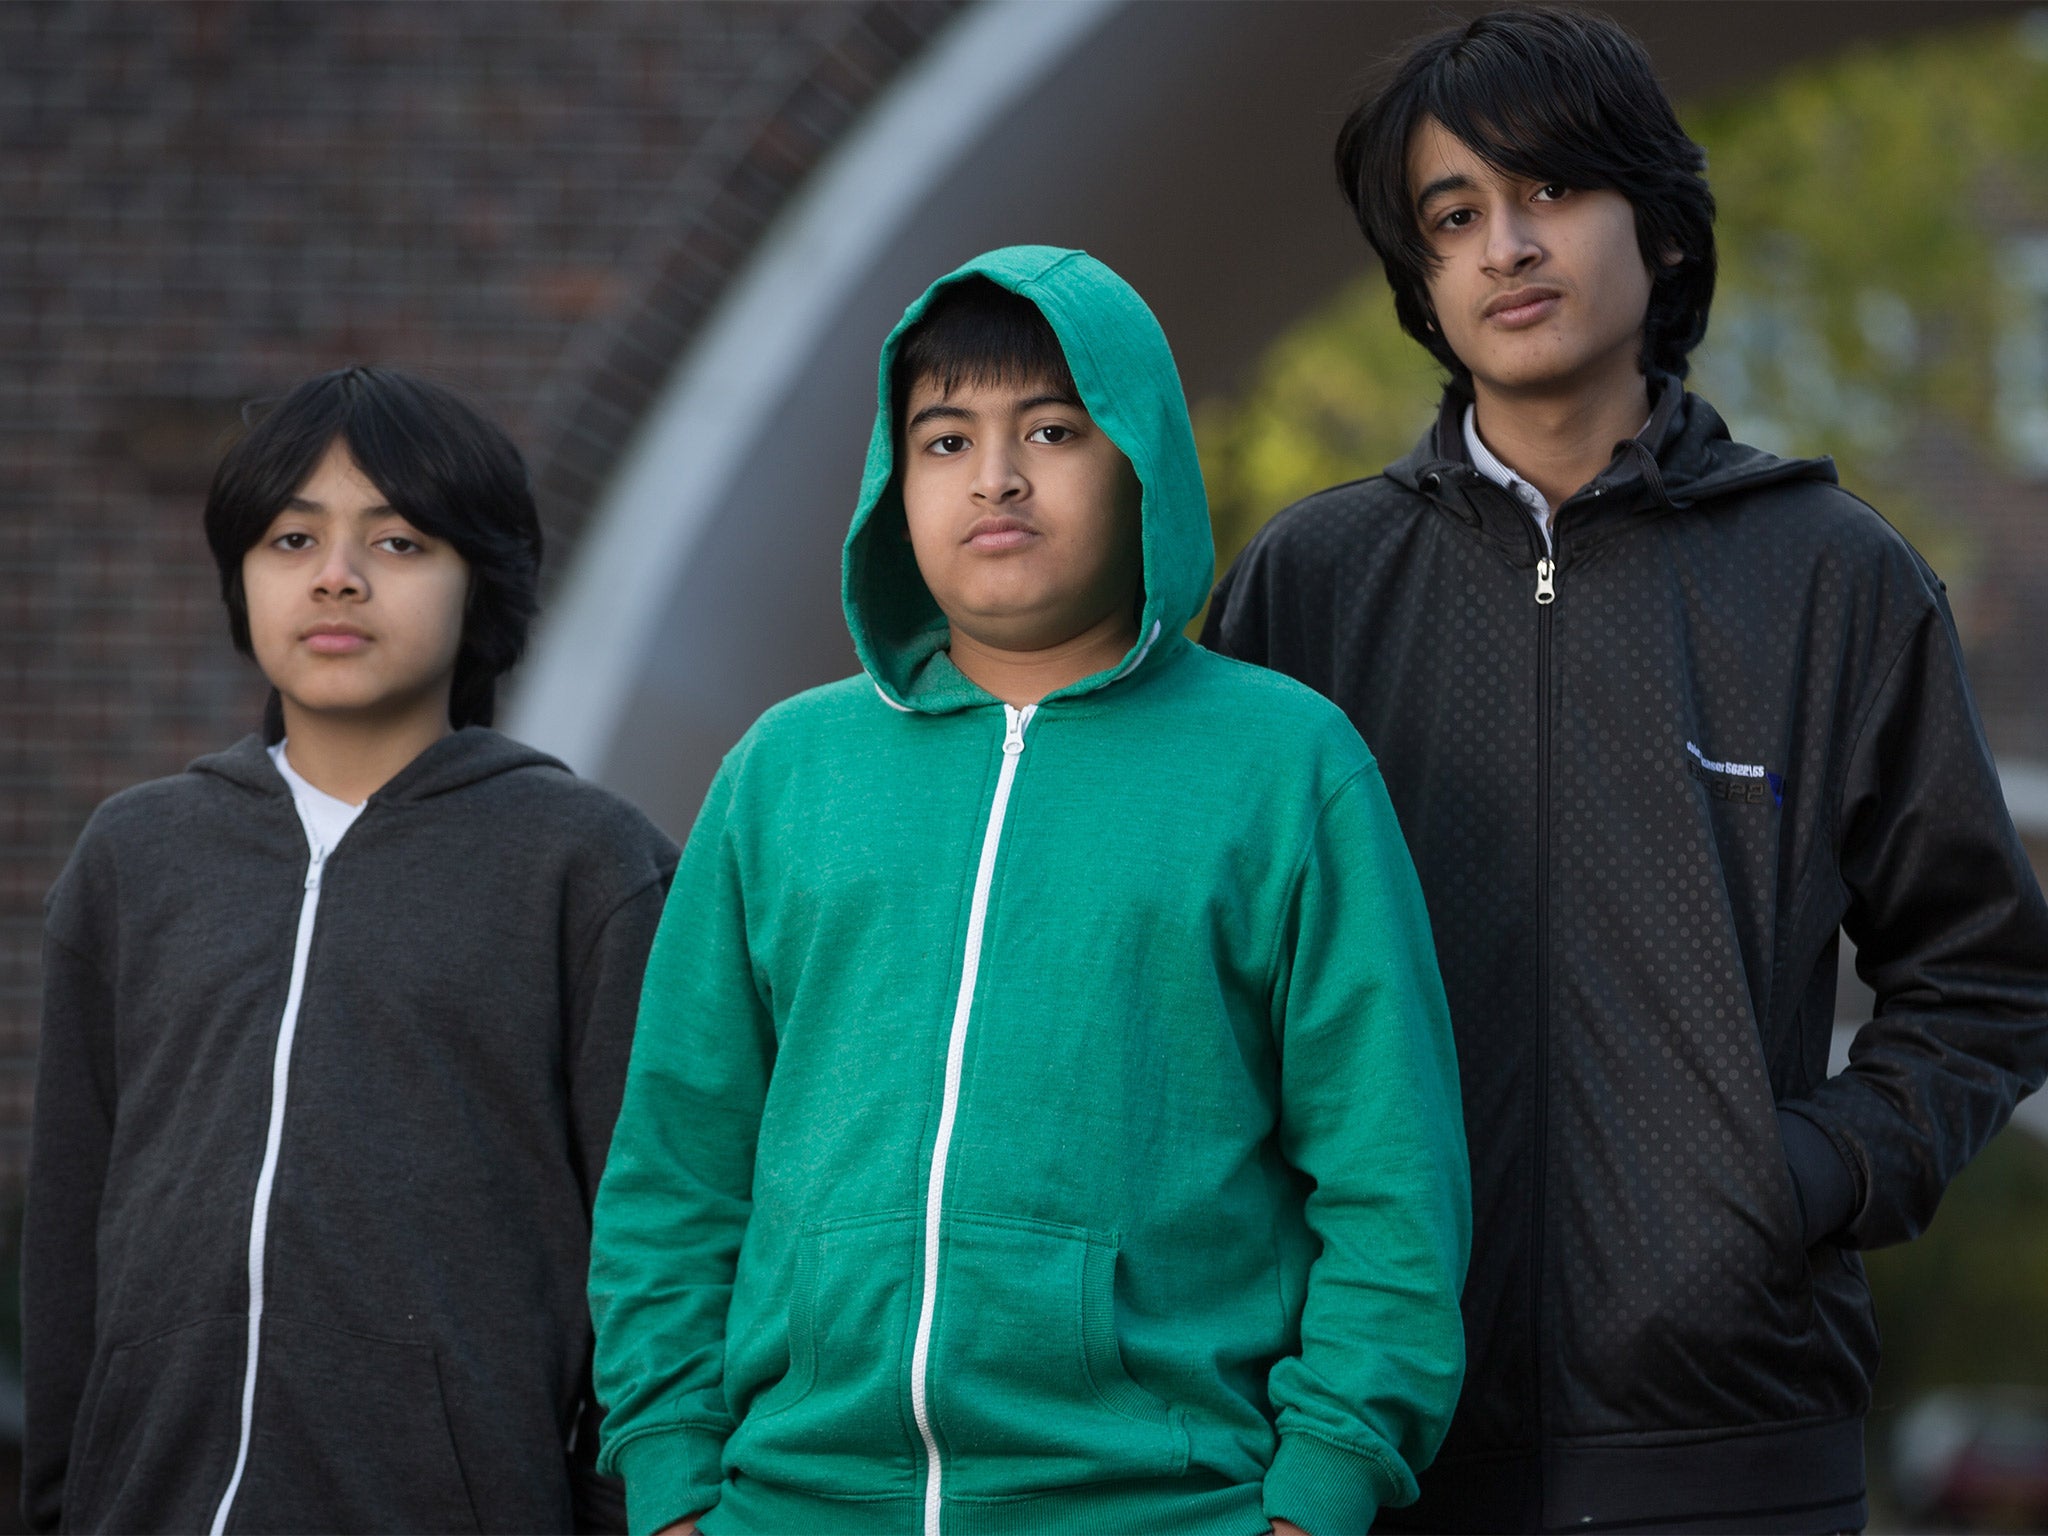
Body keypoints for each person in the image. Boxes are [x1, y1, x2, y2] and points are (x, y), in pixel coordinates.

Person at [1202, 9, 2048, 1533]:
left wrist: (1790, 1178)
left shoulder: (1831, 580)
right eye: (1453, 217)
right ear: (1422, 281)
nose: (1504, 248)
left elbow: (1988, 976)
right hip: (1367, 1447)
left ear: (1658, 232)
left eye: (1548, 194)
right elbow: (1202, 985)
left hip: (1732, 1455)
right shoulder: (1308, 587)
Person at [588, 247, 1470, 1536]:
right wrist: (670, 1484)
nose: (994, 477)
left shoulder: (1283, 767)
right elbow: (677, 1162)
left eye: (1051, 430)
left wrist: (1317, 1496)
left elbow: (1389, 1175)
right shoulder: (785, 772)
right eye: (944, 440)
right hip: (794, 1505)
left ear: (1143, 463)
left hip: (1159, 1508)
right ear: (895, 481)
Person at [23, 366, 679, 1533]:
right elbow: (72, 1222)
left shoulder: (585, 865)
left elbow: (658, 1235)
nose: (337, 574)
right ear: (241, 574)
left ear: (482, 582)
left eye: (400, 542)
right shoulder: (138, 858)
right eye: (290, 537)